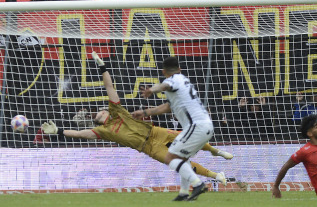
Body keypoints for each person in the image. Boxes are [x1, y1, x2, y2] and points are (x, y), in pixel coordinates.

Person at [42, 52, 232, 200]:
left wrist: (102, 66)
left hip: (156, 132)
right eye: (97, 114)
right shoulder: (102, 131)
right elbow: (79, 134)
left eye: (100, 110)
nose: (99, 112)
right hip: (148, 147)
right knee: (182, 162)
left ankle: (216, 151)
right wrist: (59, 131)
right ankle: (216, 176)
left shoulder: (117, 111)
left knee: (188, 136)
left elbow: (109, 87)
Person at [132, 56, 214, 201]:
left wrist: (151, 89)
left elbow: (164, 86)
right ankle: (184, 193)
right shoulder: (183, 81)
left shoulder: (173, 79)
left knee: (170, 157)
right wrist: (145, 112)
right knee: (183, 158)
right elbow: (168, 107)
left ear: (164, 72)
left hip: (196, 126)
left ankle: (198, 184)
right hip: (205, 125)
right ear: (179, 68)